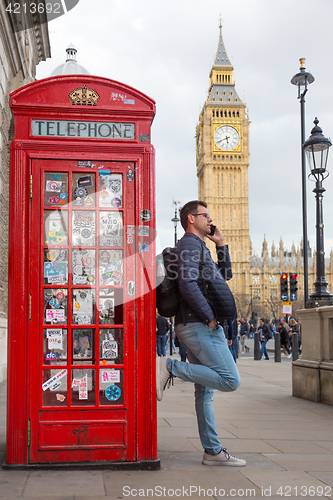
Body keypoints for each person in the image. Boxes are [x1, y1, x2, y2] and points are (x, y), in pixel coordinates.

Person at [156, 200, 246, 467]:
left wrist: (220, 245)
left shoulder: (199, 245)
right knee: (230, 380)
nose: (210, 219)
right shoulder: (190, 244)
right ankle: (168, 366)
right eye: (205, 215)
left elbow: (224, 276)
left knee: (204, 392)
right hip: (198, 324)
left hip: (196, 323)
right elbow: (187, 284)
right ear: (191, 219)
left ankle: (212, 451)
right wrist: (209, 318)